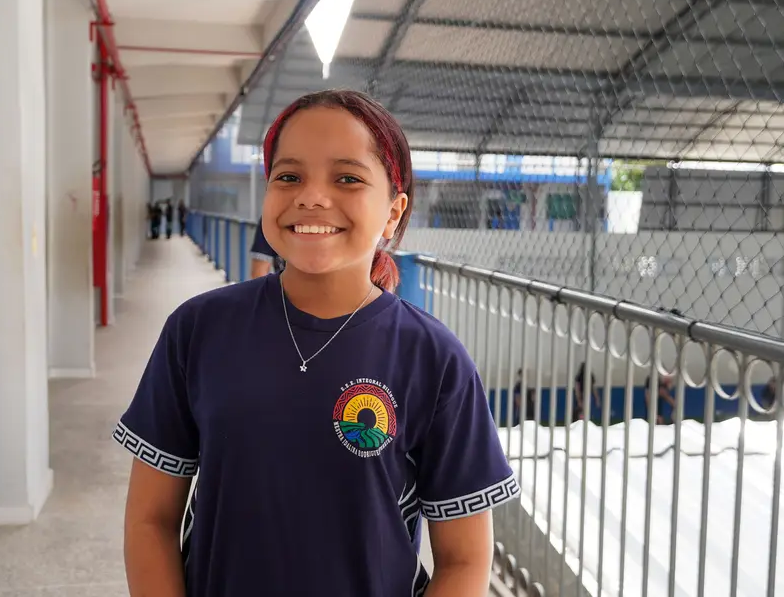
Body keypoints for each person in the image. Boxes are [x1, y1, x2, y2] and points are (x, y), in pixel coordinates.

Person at [113, 89, 517, 597]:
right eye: (289, 177)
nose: (311, 197)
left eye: (347, 178)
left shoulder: (434, 359)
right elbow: (149, 520)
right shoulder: (199, 329)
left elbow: (465, 559)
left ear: (393, 212)